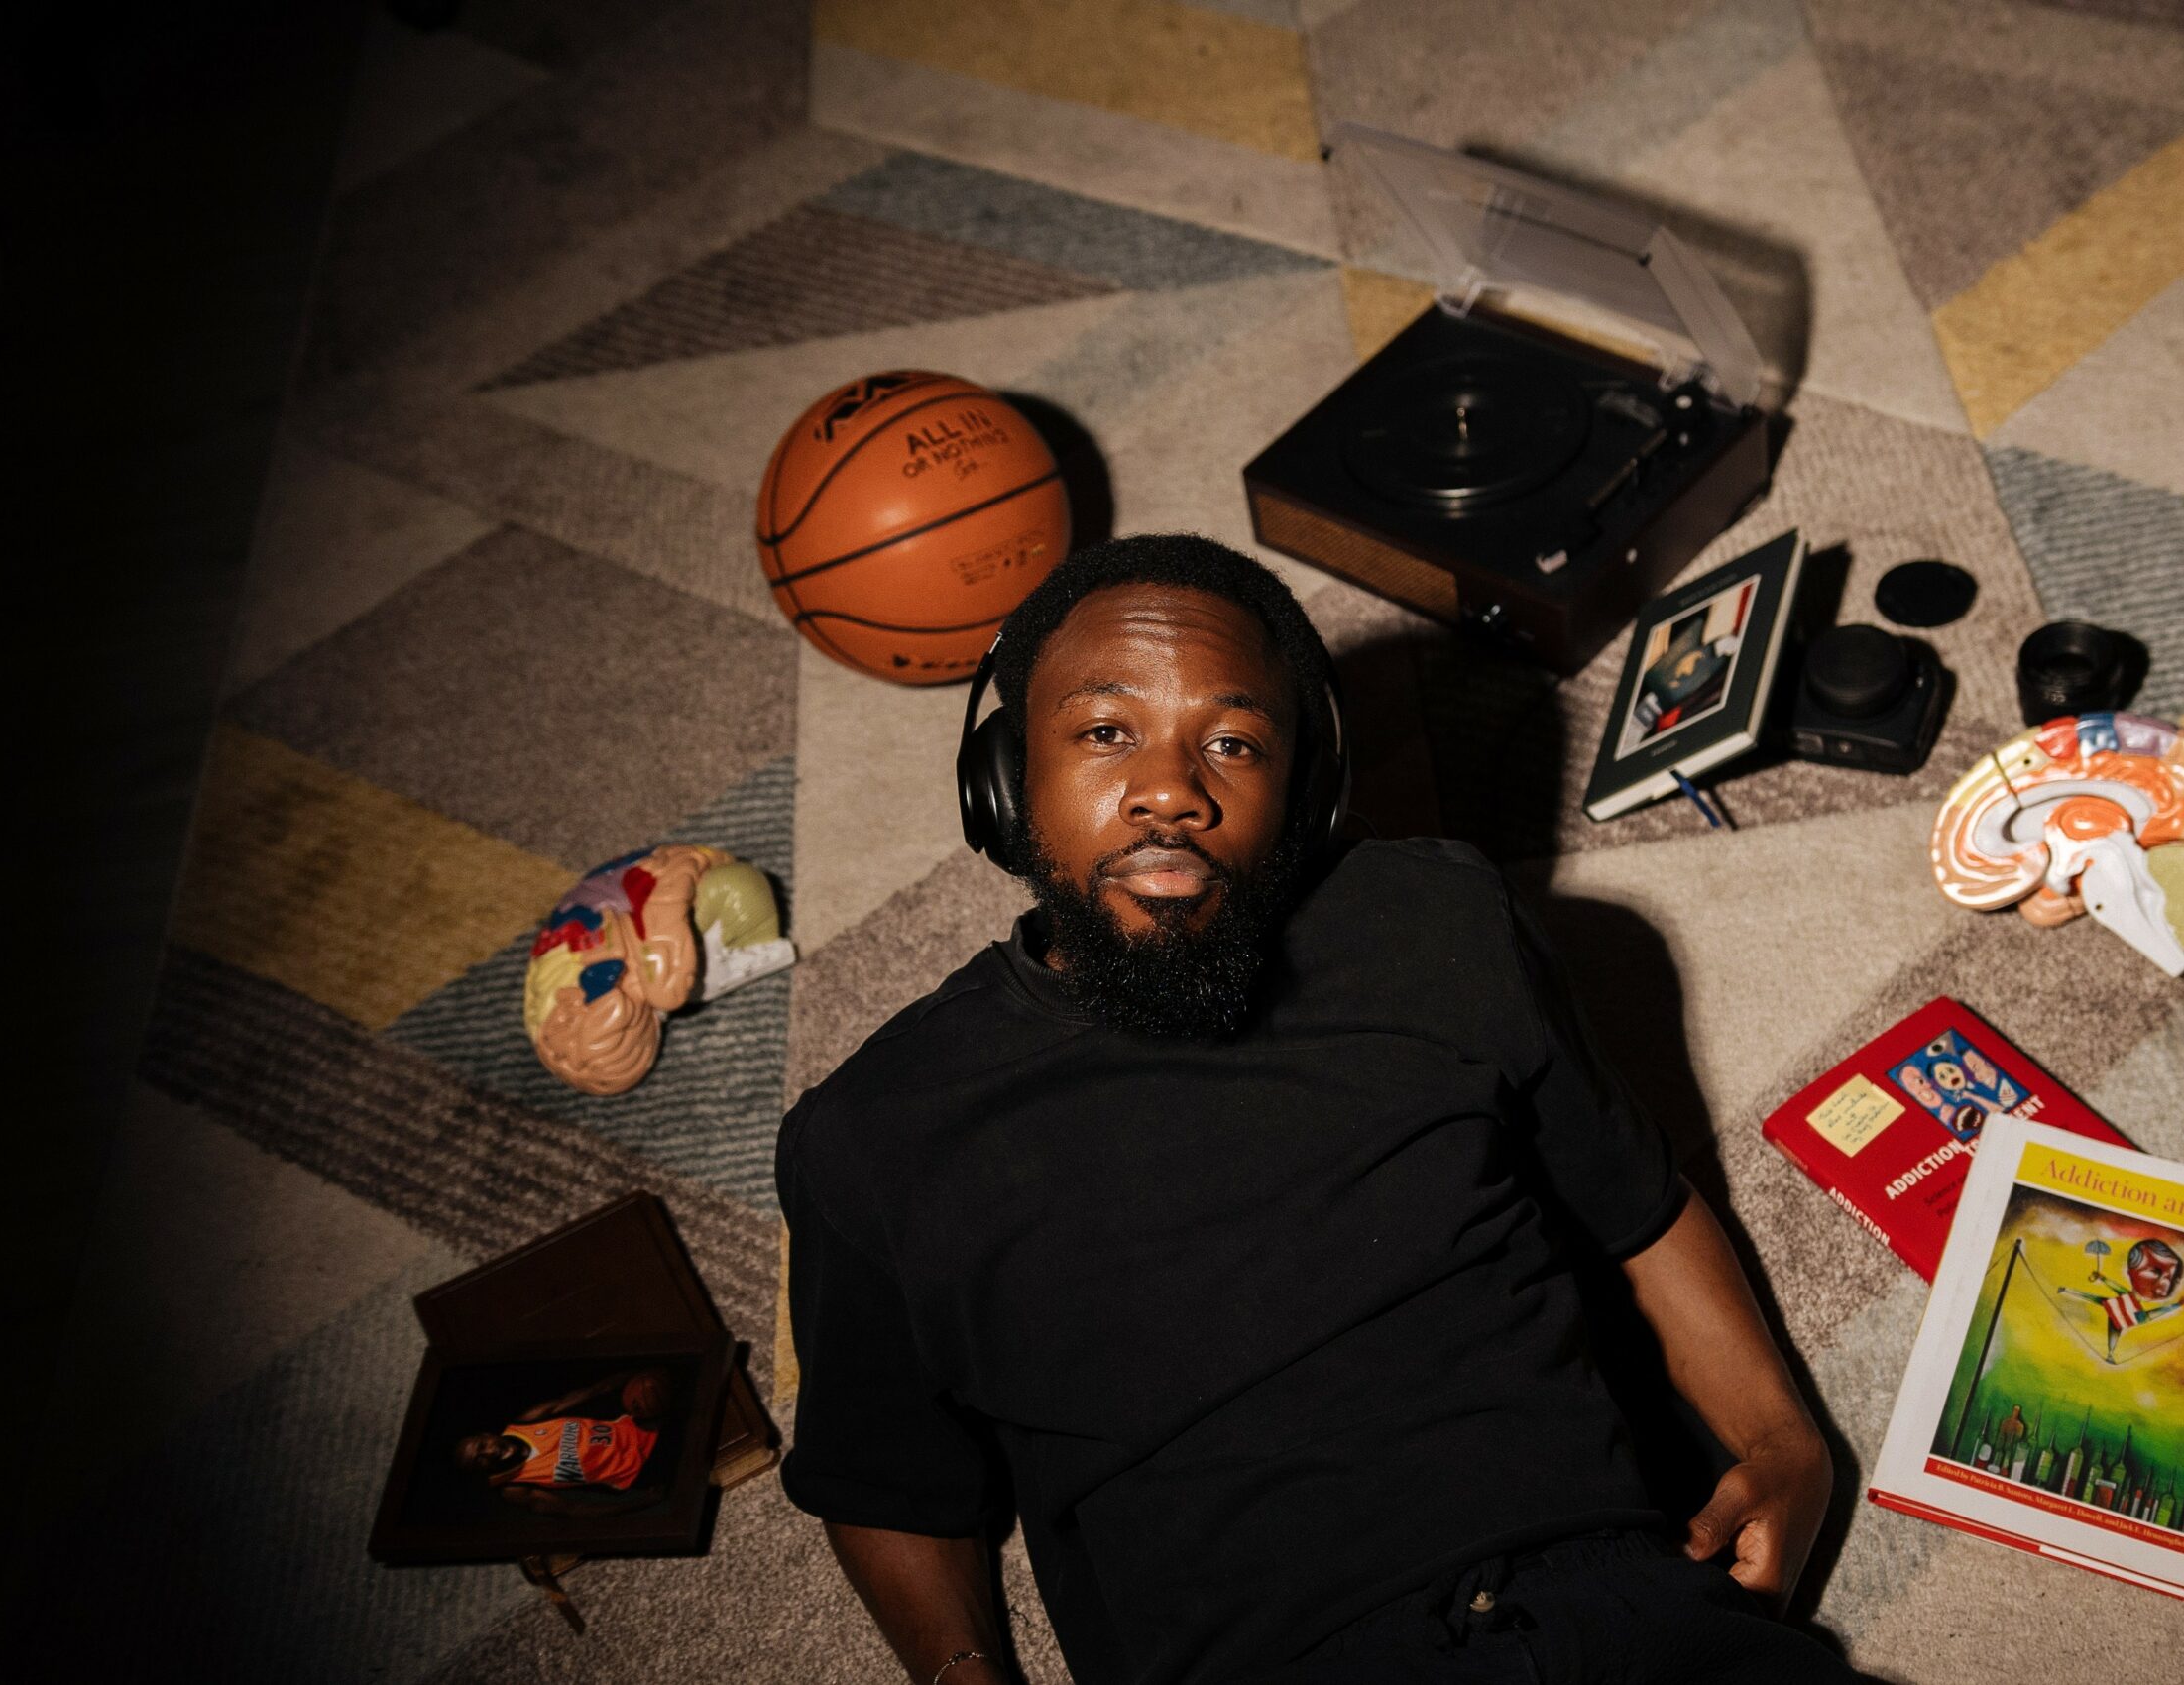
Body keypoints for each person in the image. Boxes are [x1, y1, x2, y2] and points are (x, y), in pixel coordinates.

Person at [779, 535, 1855, 1684]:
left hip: (1625, 1612)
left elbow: (1632, 1203)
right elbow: (885, 1483)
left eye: (1232, 743)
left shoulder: (1438, 923)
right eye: (1104, 731)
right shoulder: (881, 1133)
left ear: (1301, 794)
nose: (1171, 789)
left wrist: (1785, 1437)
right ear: (1004, 781)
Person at [452, 1368, 667, 1516]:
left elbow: (592, 1391)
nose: (488, 1452)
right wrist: (643, 1503)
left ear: (487, 1435)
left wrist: (638, 1373)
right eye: (479, 1460)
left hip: (647, 1428)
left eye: (482, 1446)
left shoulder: (526, 1422)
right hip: (644, 1472)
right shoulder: (513, 1488)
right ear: (482, 1471)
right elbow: (573, 1509)